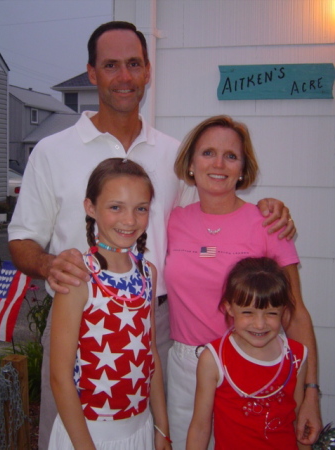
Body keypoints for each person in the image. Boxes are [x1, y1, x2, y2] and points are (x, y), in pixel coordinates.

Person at [8, 21, 294, 449]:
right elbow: (20, 240)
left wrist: (269, 209)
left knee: (148, 435)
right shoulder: (53, 151)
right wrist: (50, 263)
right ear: (91, 73)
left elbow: (212, 204)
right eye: (111, 65)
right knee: (67, 429)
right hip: (78, 316)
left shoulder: (172, 153)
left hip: (156, 319)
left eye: (134, 64)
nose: (124, 76)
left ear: (147, 72)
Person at [164, 115, 321, 450]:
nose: (219, 164)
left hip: (255, 362)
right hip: (187, 368)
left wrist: (310, 394)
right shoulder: (171, 220)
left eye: (231, 156)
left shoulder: (267, 223)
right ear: (191, 163)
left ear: (242, 168)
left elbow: (296, 313)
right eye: (208, 153)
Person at [49, 158, 171, 449]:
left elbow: (150, 352)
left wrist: (162, 428)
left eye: (140, 208)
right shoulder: (78, 276)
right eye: (116, 207)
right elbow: (59, 377)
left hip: (139, 425)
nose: (130, 220)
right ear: (90, 208)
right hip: (88, 434)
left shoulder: (147, 273)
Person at [186, 257, 309, 450]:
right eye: (248, 313)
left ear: (283, 311)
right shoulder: (213, 359)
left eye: (271, 313)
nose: (259, 324)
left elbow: (298, 422)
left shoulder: (297, 355)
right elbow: (200, 427)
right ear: (229, 308)